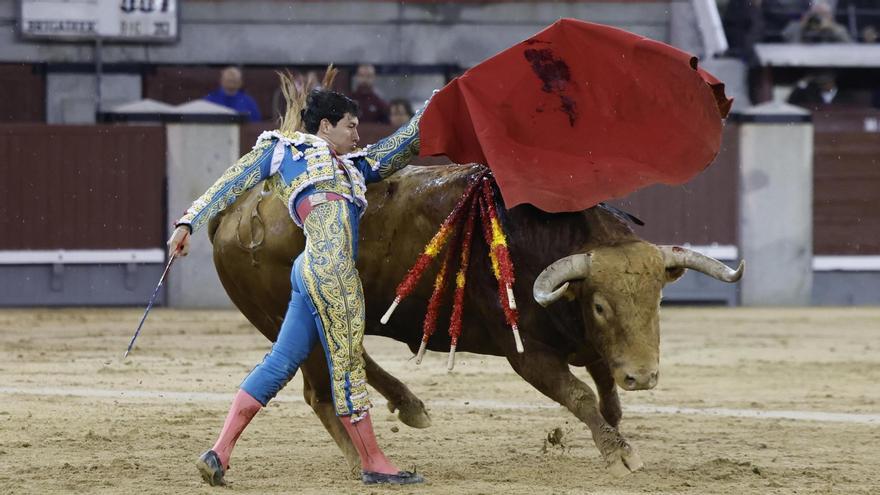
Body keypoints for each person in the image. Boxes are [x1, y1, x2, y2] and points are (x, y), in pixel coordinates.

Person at [168, 71, 427, 487]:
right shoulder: (283, 148)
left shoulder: (355, 165)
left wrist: (437, 104)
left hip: (307, 269)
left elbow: (402, 145)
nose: (357, 134)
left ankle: (219, 451)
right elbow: (230, 182)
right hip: (332, 271)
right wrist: (188, 224)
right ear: (326, 126)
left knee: (282, 362)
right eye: (350, 126)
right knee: (346, 366)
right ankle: (374, 462)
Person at [782, 1, 852, 43]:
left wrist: (832, 27)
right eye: (816, 14)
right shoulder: (796, 26)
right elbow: (784, 39)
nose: (818, 19)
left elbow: (850, 46)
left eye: (823, 14)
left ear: (830, 16)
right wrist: (802, 26)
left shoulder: (838, 29)